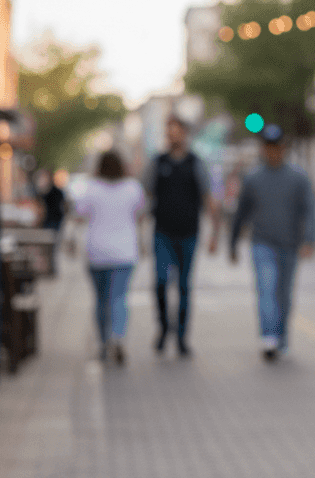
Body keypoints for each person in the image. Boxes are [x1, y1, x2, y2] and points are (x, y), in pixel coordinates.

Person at [229, 124, 315, 362]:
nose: (273, 152)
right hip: (262, 244)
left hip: (289, 244)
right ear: (263, 149)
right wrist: (233, 242)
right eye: (268, 147)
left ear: (283, 148)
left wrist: (309, 239)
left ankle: (282, 337)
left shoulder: (298, 177)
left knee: (284, 295)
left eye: (276, 147)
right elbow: (241, 212)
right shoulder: (253, 177)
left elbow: (309, 210)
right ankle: (268, 337)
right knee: (266, 289)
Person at [143, 116, 222, 357]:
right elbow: (145, 197)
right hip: (162, 233)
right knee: (160, 282)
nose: (172, 136)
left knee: (185, 286)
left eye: (175, 132)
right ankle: (164, 327)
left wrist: (214, 234)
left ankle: (182, 336)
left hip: (189, 233)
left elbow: (209, 198)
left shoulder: (195, 163)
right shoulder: (157, 163)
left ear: (185, 134)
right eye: (169, 132)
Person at [70, 151, 145, 365]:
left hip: (97, 252)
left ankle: (103, 343)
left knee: (101, 300)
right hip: (124, 252)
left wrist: (71, 241)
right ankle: (118, 338)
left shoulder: (91, 188)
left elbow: (79, 214)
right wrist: (144, 243)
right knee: (119, 297)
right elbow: (141, 216)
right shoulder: (133, 188)